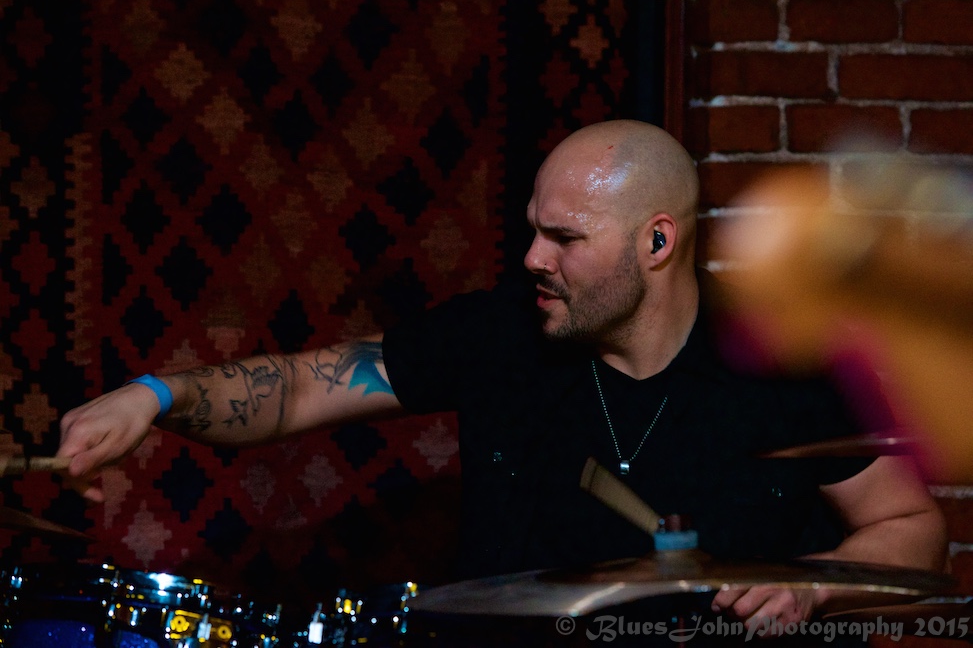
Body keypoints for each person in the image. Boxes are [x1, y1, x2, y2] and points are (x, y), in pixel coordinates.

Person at [58, 120, 947, 634]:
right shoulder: (498, 337)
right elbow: (298, 386)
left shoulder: (784, 359)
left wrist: (811, 582)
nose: (531, 257)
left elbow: (910, 528)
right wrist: (156, 395)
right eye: (532, 228)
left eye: (564, 239)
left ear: (657, 242)